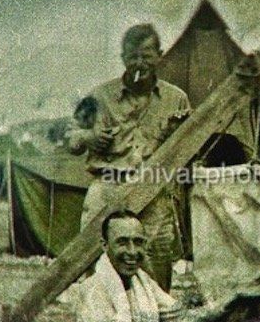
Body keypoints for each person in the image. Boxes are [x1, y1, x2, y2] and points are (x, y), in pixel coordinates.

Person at [65, 24, 191, 291]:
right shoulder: (98, 97)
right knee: (92, 258)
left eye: (146, 55)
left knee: (155, 259)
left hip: (154, 192)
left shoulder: (176, 98)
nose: (139, 63)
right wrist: (89, 138)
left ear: (160, 55)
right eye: (132, 56)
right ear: (122, 57)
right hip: (108, 187)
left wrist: (176, 135)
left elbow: (191, 150)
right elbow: (70, 140)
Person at [76, 210, 260, 322]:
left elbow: (183, 319)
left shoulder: (142, 281)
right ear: (105, 246)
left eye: (138, 242)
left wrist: (233, 296)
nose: (132, 251)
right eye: (122, 242)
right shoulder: (92, 288)